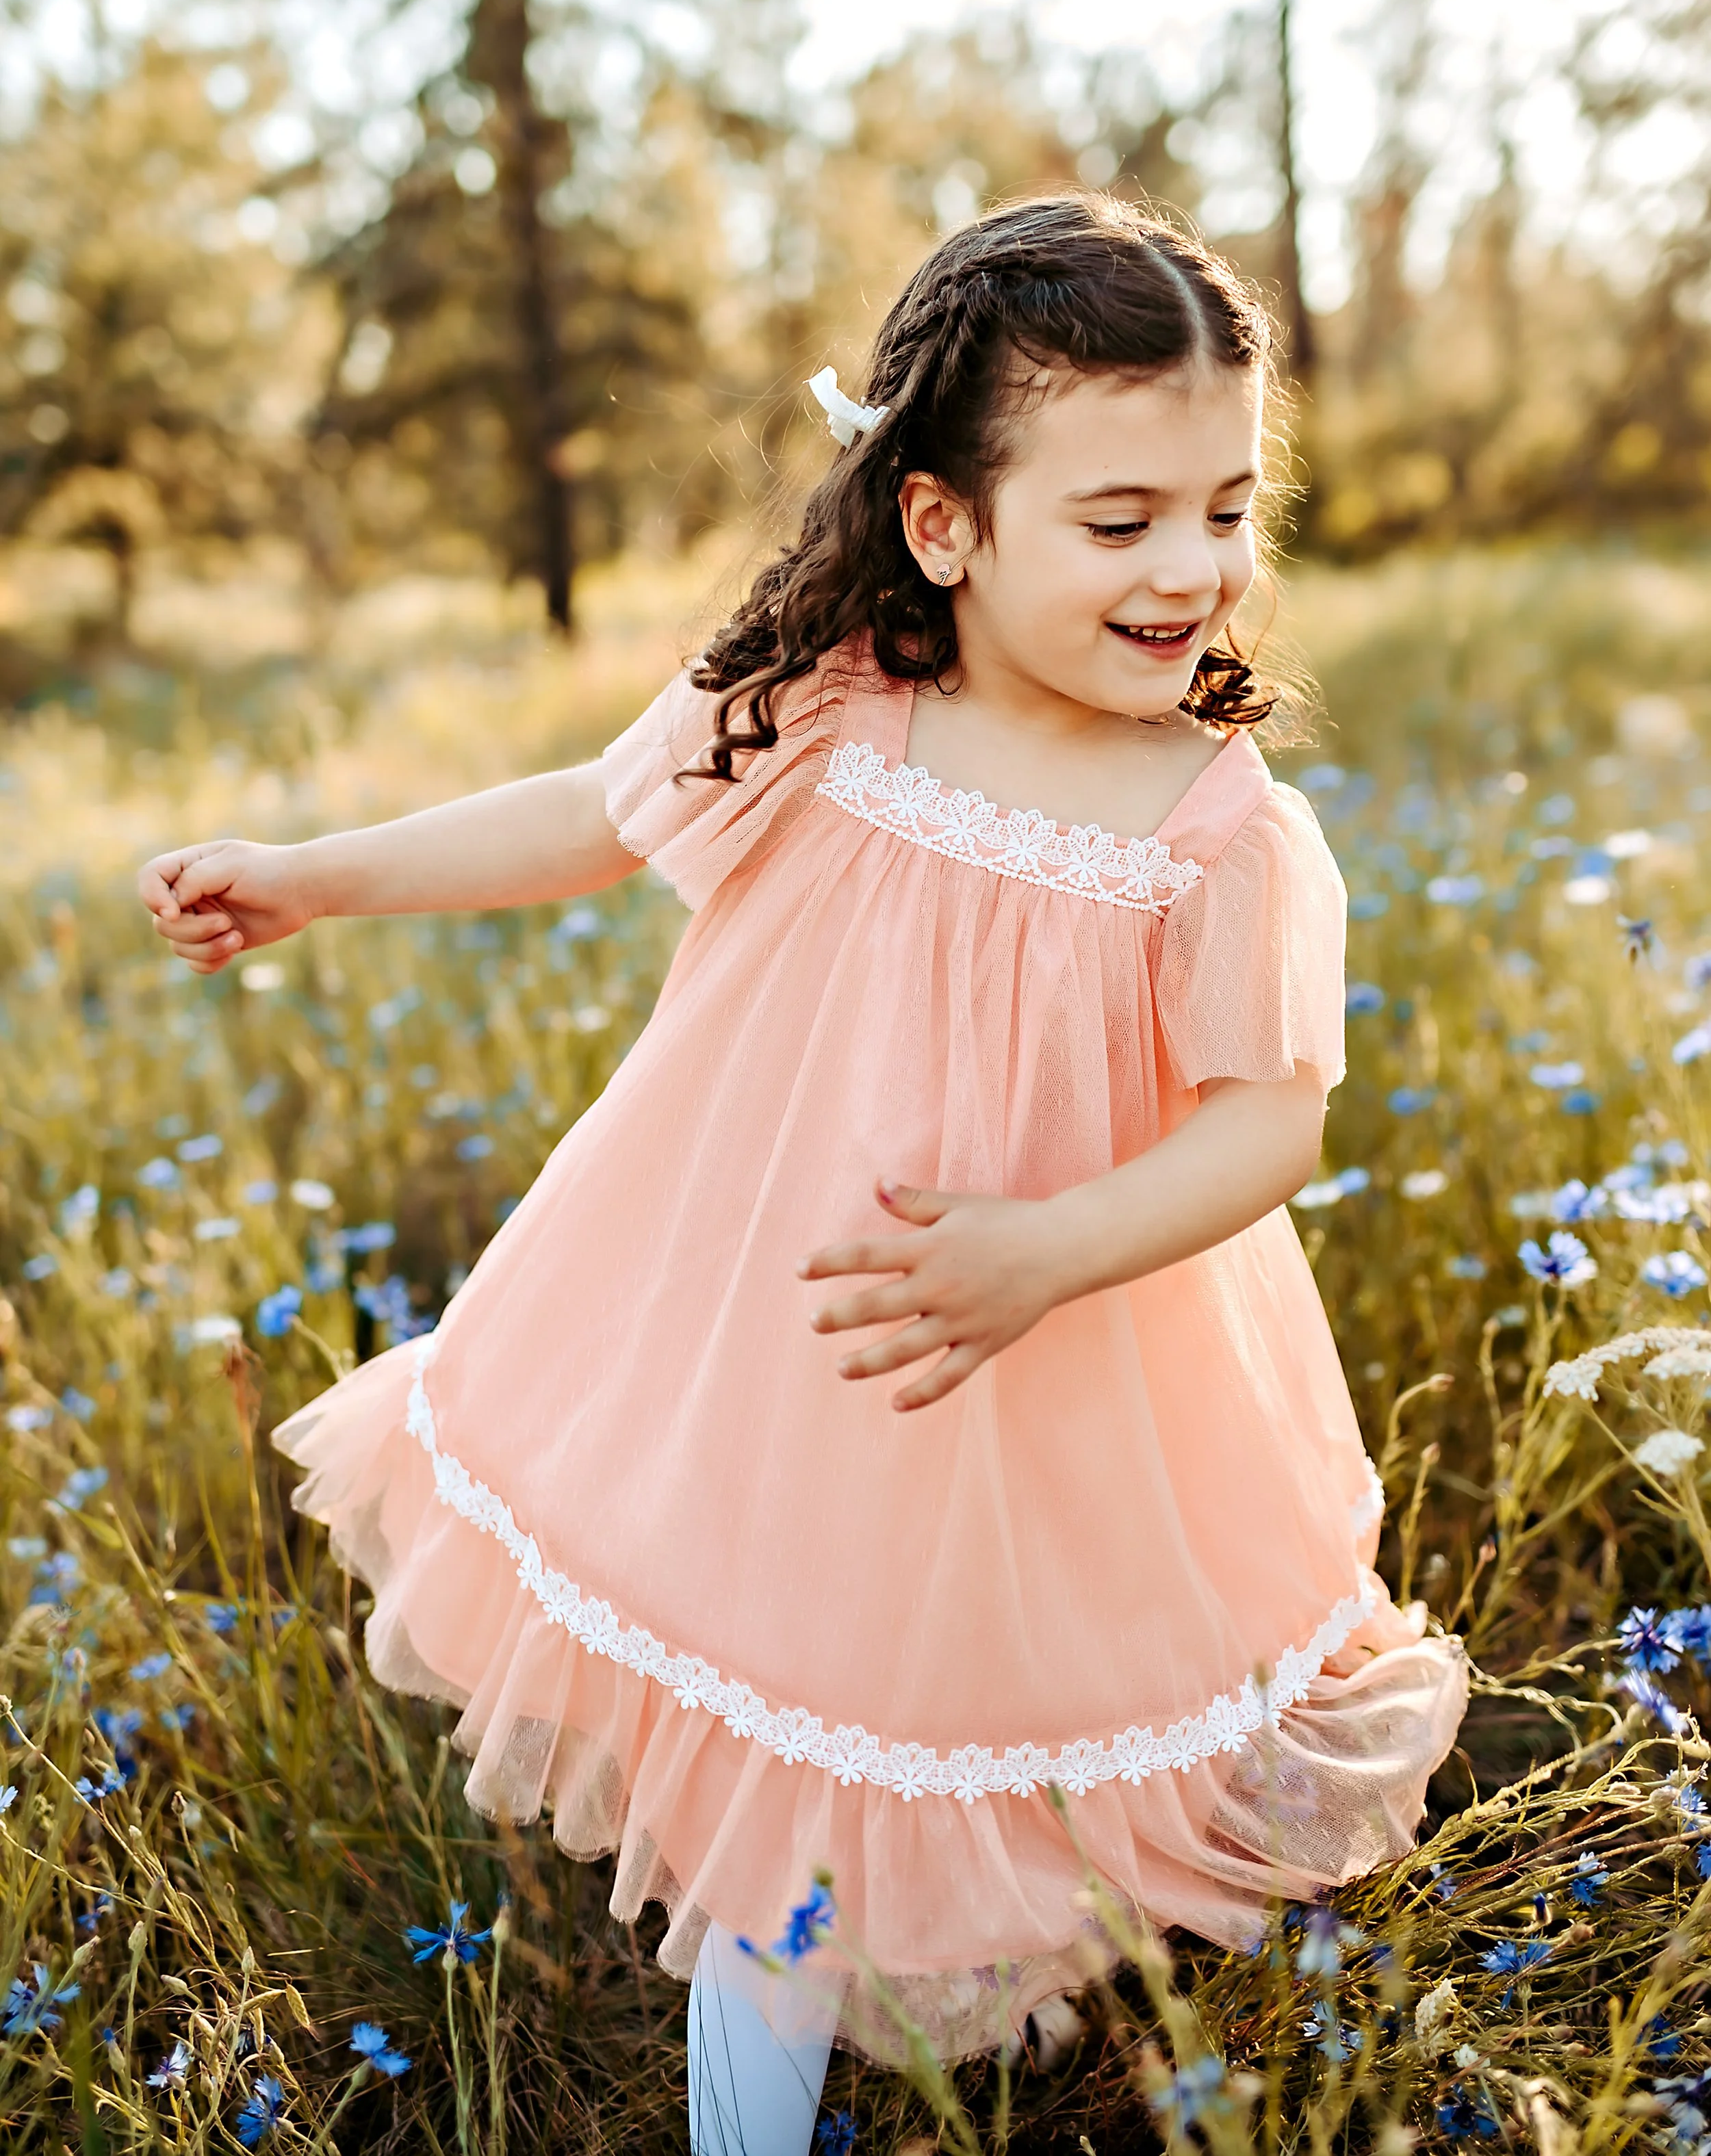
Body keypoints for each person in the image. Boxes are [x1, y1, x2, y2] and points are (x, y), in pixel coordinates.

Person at [138, 193, 1467, 2155]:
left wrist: (1042, 1251)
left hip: (1061, 1346)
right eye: (1119, 522)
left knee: (1022, 1697)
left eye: (1224, 508)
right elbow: (591, 819)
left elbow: (1271, 1124)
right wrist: (322, 875)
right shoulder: (833, 692)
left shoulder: (1222, 834)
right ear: (943, 523)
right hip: (773, 1314)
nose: (1191, 568)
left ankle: (1073, 1992)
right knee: (795, 1713)